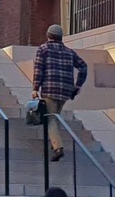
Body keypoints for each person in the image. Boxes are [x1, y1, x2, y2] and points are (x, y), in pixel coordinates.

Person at [32, 24, 88, 162]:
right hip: (65, 92)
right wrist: (77, 85)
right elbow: (83, 67)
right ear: (61, 37)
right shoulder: (69, 52)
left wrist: (35, 88)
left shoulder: (43, 49)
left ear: (48, 35)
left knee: (50, 118)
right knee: (55, 116)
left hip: (49, 89)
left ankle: (58, 148)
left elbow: (38, 69)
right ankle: (54, 142)